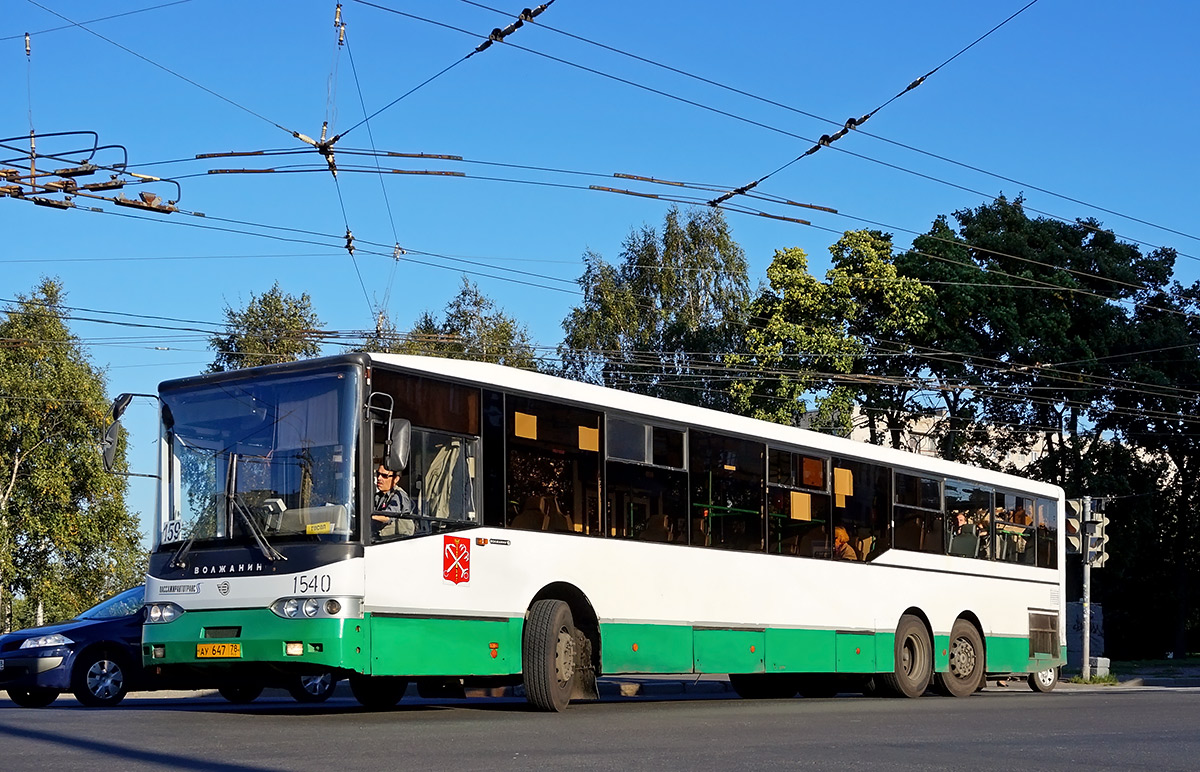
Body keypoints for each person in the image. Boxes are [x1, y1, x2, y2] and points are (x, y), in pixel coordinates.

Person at [372, 463, 414, 541]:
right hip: (381, 538)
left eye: (384, 476)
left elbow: (388, 517)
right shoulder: (379, 496)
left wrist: (367, 517)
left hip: (396, 540)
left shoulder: (399, 496)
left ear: (396, 479)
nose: (379, 478)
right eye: (378, 474)